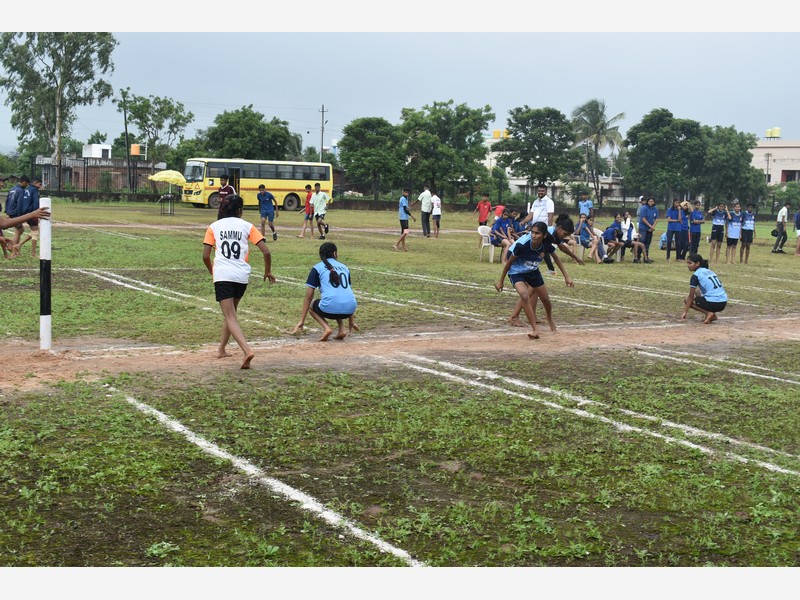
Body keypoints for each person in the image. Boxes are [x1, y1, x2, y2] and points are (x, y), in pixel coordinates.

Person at [202, 194, 275, 369]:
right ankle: (221, 349)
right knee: (232, 313)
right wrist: (267, 271)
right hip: (241, 276)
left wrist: (213, 271)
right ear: (240, 210)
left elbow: (205, 256)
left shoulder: (214, 226)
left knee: (230, 316)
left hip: (223, 275)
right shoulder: (247, 226)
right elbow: (266, 252)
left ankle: (247, 350)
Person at [495, 221, 574, 338]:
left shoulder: (546, 245)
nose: (534, 235)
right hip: (516, 271)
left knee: (545, 299)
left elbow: (556, 258)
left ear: (544, 235)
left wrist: (567, 277)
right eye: (532, 232)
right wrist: (500, 281)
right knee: (524, 295)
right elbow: (508, 263)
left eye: (537, 233)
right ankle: (535, 329)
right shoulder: (522, 245)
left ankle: (549, 318)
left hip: (532, 271)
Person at [291, 242, 357, 342]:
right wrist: (351, 322)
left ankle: (327, 328)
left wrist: (302, 320)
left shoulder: (317, 267)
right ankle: (342, 329)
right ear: (335, 254)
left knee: (312, 304)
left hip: (329, 309)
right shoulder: (345, 267)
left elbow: (309, 296)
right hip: (349, 310)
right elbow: (347, 293)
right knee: (338, 298)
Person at [681, 253, 727, 325]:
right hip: (723, 302)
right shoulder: (709, 271)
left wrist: (685, 312)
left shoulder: (695, 275)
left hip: (714, 303)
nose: (688, 265)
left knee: (686, 299)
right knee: (698, 292)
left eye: (690, 263)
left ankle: (709, 313)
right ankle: (712, 315)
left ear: (697, 264)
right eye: (687, 263)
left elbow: (691, 296)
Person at [13, 176, 42, 257]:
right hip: (32, 213)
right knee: (35, 232)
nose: (40, 186)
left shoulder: (27, 189)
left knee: (35, 230)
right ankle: (33, 253)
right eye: (39, 184)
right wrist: (37, 213)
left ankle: (19, 245)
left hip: (25, 213)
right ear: (35, 183)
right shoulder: (34, 190)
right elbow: (36, 203)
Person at [4, 175, 30, 257]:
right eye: (27, 184)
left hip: (10, 212)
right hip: (16, 213)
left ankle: (14, 248)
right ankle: (13, 249)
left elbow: (7, 200)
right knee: (19, 231)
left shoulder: (12, 189)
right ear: (23, 182)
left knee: (20, 230)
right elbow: (20, 204)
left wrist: (7, 211)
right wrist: (19, 216)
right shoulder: (21, 190)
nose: (27, 186)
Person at [393, 187, 416, 251]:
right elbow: (405, 210)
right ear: (403, 192)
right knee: (406, 231)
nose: (407, 193)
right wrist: (412, 216)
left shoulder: (406, 199)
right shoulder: (402, 199)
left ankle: (404, 247)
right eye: (406, 192)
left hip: (404, 217)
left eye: (407, 192)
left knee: (403, 232)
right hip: (403, 217)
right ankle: (396, 244)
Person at [638, 197, 658, 263]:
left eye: (652, 201)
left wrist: (653, 227)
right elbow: (643, 219)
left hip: (650, 229)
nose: (651, 203)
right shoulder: (644, 208)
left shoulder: (655, 208)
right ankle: (638, 256)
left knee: (647, 243)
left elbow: (657, 218)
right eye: (649, 201)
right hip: (643, 228)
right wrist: (650, 226)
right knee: (641, 242)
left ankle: (646, 257)